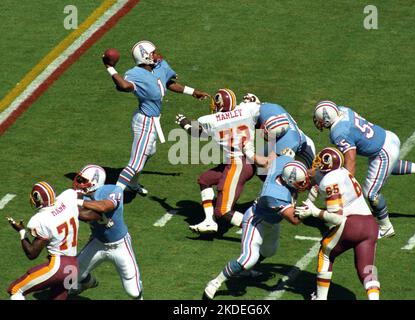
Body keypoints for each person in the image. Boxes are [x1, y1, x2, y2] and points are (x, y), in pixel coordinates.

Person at [313, 100, 415, 238]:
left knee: (371, 193)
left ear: (326, 120)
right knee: (386, 168)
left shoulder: (339, 132)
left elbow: (351, 159)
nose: (317, 121)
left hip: (382, 152)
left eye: (319, 119)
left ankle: (386, 227)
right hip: (388, 137)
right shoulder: (343, 110)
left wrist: (347, 183)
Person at [103, 40, 210, 196]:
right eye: (152, 53)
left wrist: (193, 92)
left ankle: (132, 184)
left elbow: (168, 83)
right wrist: (110, 67)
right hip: (145, 121)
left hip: (153, 121)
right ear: (145, 56)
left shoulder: (158, 67)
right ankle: (115, 195)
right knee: (136, 164)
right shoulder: (135, 74)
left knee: (150, 151)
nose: (156, 54)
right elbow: (124, 86)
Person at [203, 156, 310, 299]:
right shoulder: (274, 195)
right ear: (289, 180)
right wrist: (311, 203)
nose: (304, 184)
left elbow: (283, 156)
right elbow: (295, 220)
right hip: (256, 221)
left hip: (272, 221)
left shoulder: (283, 165)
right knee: (248, 258)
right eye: (300, 182)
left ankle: (246, 271)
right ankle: (215, 283)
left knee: (270, 251)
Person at [175, 89, 272, 234]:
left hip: (237, 165)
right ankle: (209, 221)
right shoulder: (246, 109)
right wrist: (254, 100)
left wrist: (185, 123)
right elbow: (260, 106)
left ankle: (260, 230)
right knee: (205, 179)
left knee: (223, 211)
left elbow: (199, 133)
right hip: (247, 160)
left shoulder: (210, 120)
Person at [295, 147, 380, 300]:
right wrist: (308, 201)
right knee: (366, 269)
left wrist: (313, 211)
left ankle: (321, 298)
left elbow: (336, 218)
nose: (317, 162)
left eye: (321, 160)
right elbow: (317, 185)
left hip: (352, 224)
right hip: (371, 225)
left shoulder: (329, 181)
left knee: (325, 253)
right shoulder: (342, 172)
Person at [6, 182, 100, 300]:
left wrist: (21, 231)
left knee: (15, 290)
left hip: (58, 266)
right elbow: (77, 194)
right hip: (73, 266)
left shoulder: (40, 220)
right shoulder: (68, 199)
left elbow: (32, 254)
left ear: (37, 199)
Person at [70, 164, 143, 299]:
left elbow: (103, 207)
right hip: (98, 243)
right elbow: (82, 215)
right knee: (68, 278)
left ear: (95, 182)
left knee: (133, 292)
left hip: (120, 245)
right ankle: (87, 282)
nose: (78, 183)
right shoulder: (79, 196)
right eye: (78, 179)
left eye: (83, 181)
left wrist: (78, 203)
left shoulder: (113, 190)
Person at [243, 93, 316, 170]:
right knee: (260, 170)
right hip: (285, 138)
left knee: (298, 177)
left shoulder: (286, 142)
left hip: (301, 151)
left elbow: (267, 164)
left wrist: (248, 152)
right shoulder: (267, 109)